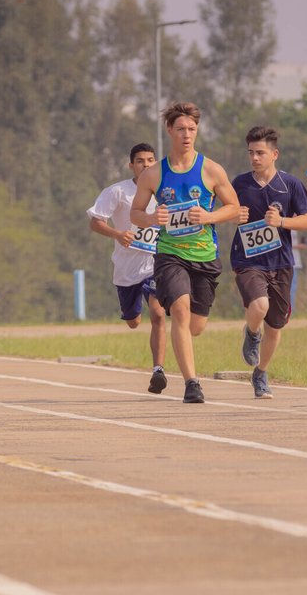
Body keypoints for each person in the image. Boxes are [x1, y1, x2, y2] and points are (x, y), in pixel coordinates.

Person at [131, 101, 240, 403]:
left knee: (195, 326)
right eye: (181, 129)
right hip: (170, 254)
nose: (187, 134)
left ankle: (186, 356)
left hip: (204, 256)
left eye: (192, 129)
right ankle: (192, 383)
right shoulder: (154, 174)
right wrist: (153, 218)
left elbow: (233, 207)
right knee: (179, 309)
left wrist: (209, 216)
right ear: (170, 130)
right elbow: (135, 213)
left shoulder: (211, 169)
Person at [230, 126, 307, 398]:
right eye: (251, 153)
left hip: (280, 263)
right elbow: (222, 211)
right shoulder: (240, 183)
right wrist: (233, 216)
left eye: (260, 153)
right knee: (260, 305)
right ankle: (252, 333)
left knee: (276, 326)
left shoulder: (290, 184)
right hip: (247, 260)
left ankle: (261, 373)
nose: (254, 158)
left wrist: (281, 221)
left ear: (274, 154)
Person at [86, 142, 169, 394]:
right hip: (125, 269)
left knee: (157, 313)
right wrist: (117, 234)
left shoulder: (164, 191)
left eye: (150, 160)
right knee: (133, 321)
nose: (146, 165)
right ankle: (134, 313)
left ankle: (158, 371)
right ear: (131, 165)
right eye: (141, 161)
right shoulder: (117, 192)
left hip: (155, 264)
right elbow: (95, 221)